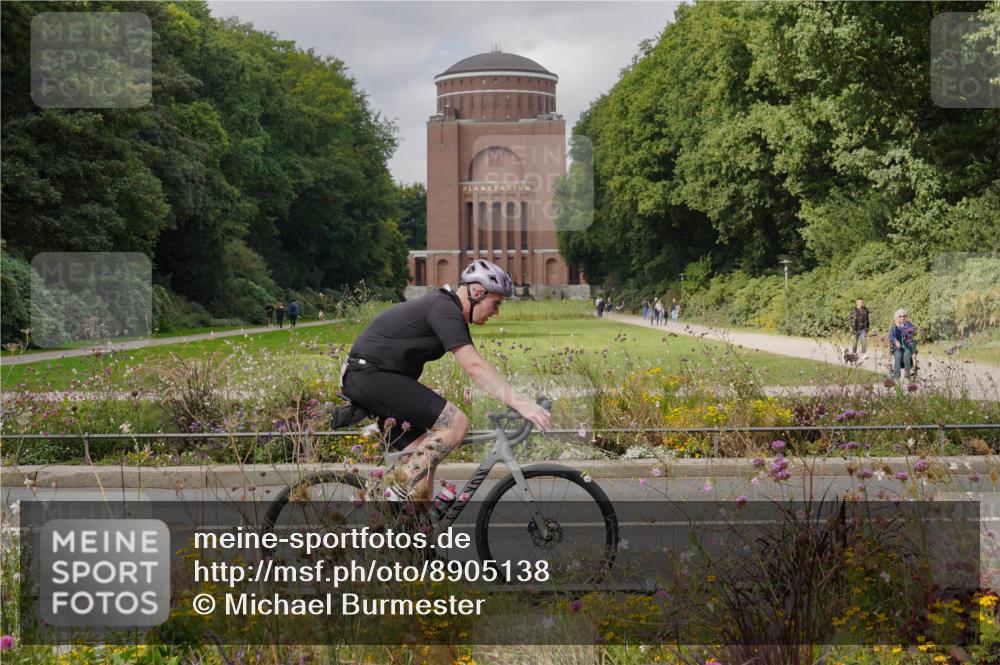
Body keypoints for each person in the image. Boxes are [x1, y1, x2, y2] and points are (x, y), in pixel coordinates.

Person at [341, 259, 552, 503]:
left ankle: (413, 523)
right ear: (477, 293)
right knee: (456, 423)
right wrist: (522, 404)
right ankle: (391, 493)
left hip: (373, 378)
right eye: (495, 304)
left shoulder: (447, 311)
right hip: (369, 375)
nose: (496, 312)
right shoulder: (443, 308)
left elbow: (476, 366)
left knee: (425, 457)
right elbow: (473, 366)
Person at [888, 308, 917, 379]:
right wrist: (895, 341)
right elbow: (891, 336)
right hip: (898, 347)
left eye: (904, 316)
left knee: (906, 355)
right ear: (897, 317)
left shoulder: (909, 324)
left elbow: (910, 330)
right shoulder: (894, 327)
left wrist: (900, 327)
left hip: (908, 346)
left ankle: (907, 373)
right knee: (898, 356)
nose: (903, 318)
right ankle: (896, 376)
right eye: (900, 316)